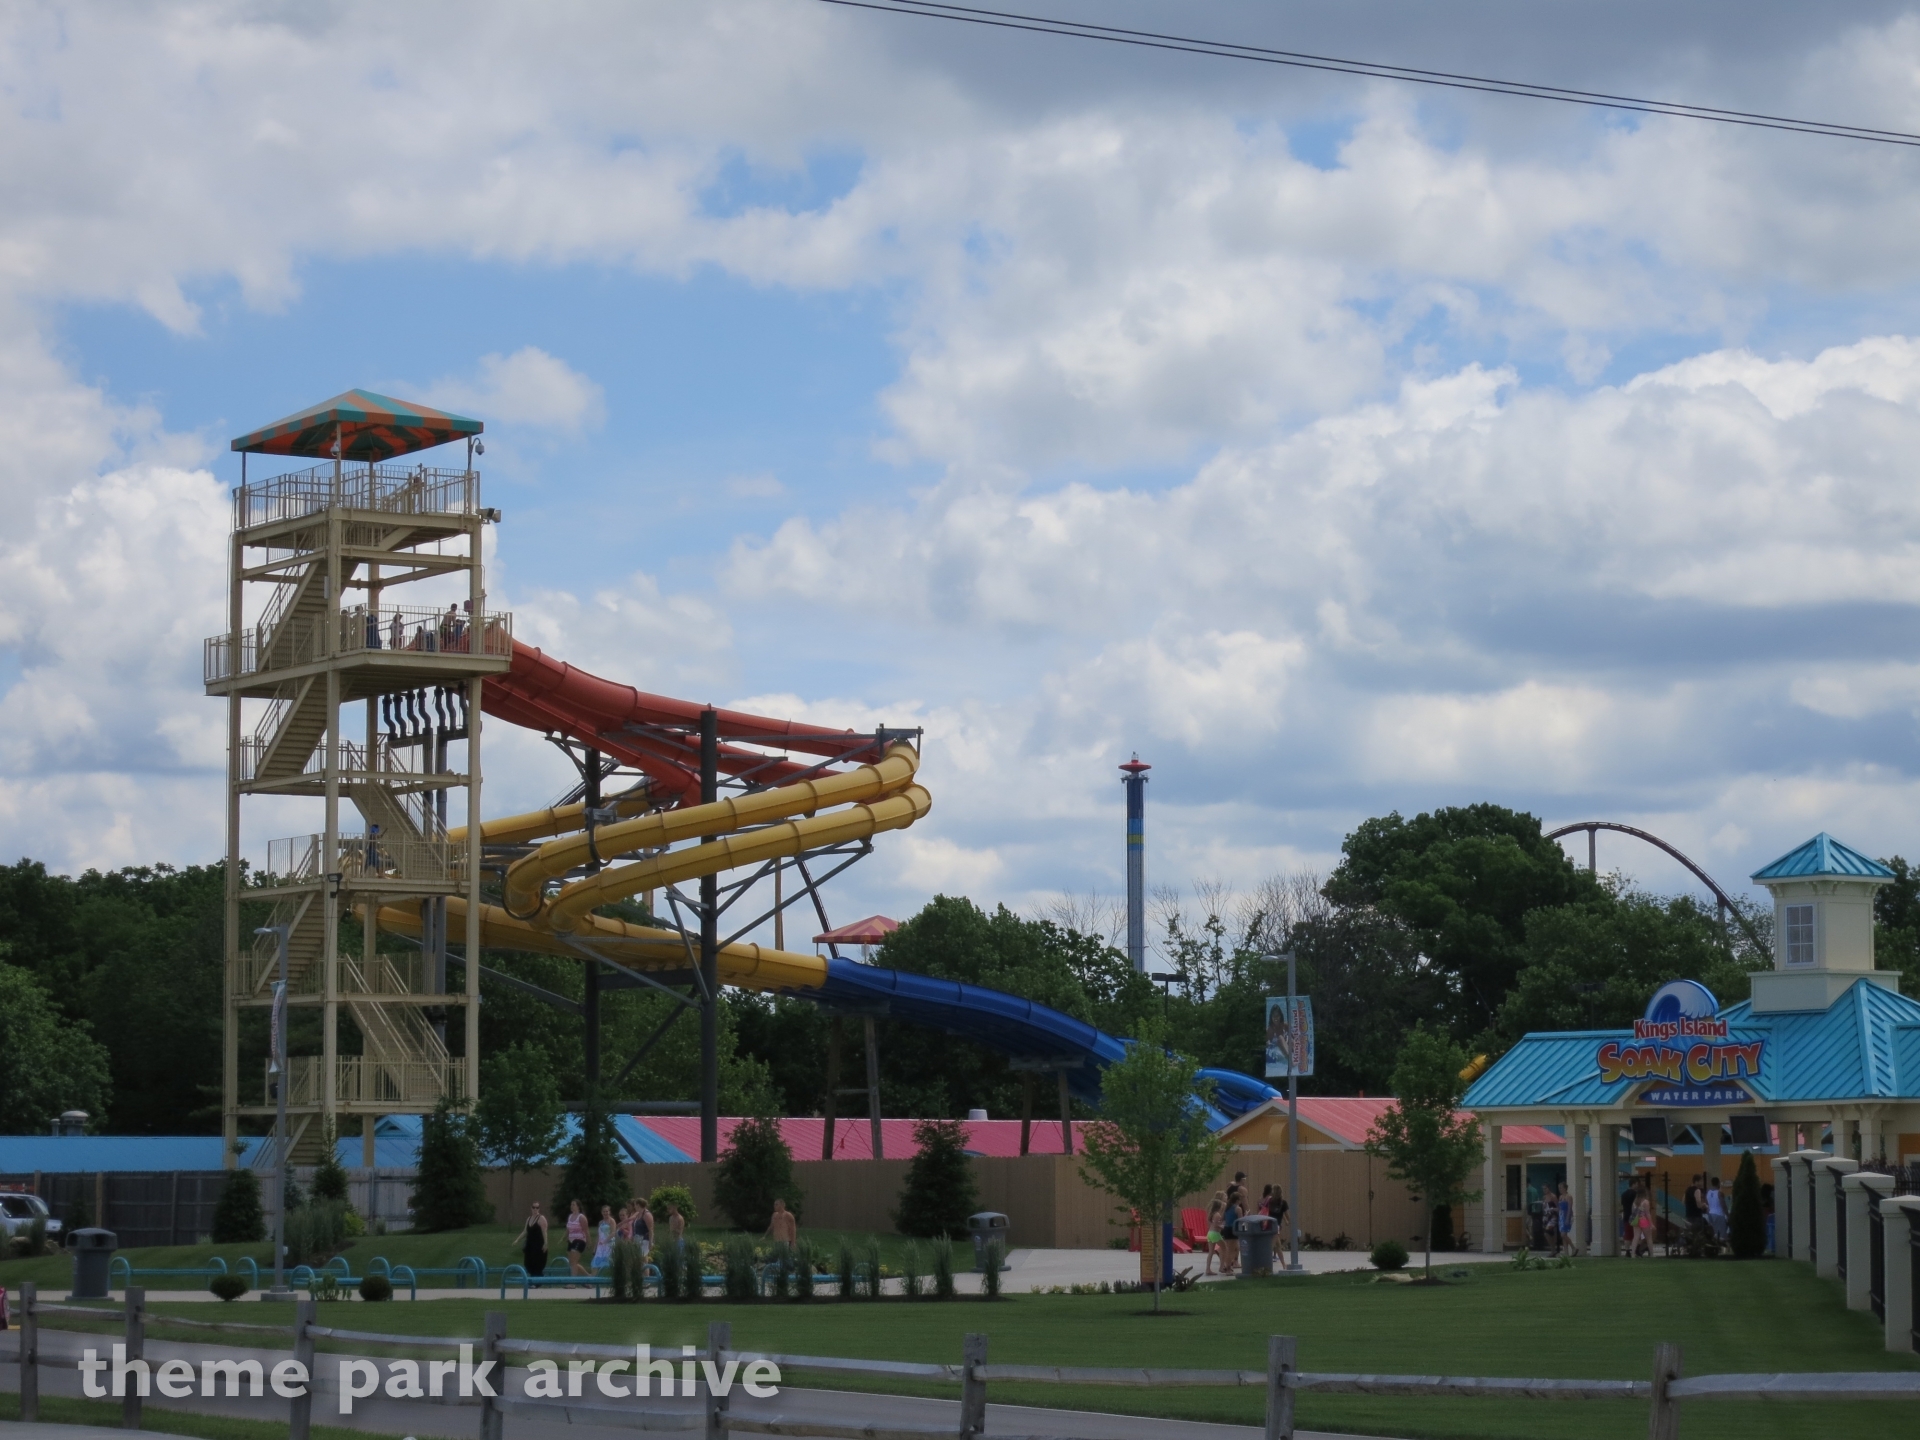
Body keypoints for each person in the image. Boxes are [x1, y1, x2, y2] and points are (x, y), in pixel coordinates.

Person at [519, 1200, 549, 1278]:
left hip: (538, 1245)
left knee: (537, 1263)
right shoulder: (529, 1219)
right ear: (531, 1208)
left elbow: (544, 1231)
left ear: (539, 1209)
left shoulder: (541, 1218)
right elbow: (525, 1231)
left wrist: (545, 1243)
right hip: (530, 1245)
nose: (535, 1209)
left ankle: (537, 1281)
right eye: (534, 1207)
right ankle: (533, 1280)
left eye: (537, 1208)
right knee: (528, 1263)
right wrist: (517, 1239)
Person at [1220, 1186, 1243, 1276]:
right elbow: (1241, 1220)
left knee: (1235, 1248)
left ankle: (1228, 1265)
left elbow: (1222, 1218)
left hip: (1226, 1229)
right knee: (1231, 1250)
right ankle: (1228, 1268)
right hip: (1233, 1229)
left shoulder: (1227, 1207)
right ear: (1237, 1200)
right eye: (1240, 1199)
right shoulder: (1238, 1208)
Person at [1203, 1192, 1226, 1276]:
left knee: (1211, 1252)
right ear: (1218, 1207)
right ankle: (1221, 1267)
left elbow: (1213, 1223)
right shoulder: (1217, 1215)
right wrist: (1223, 1226)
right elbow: (1216, 1225)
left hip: (1210, 1233)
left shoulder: (1212, 1214)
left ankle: (1208, 1269)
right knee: (1225, 1248)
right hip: (1215, 1234)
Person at [564, 1200, 589, 1275]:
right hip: (571, 1240)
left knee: (574, 1261)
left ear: (578, 1206)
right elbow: (568, 1229)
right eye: (571, 1204)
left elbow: (586, 1230)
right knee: (572, 1262)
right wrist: (565, 1237)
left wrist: (588, 1242)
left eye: (573, 1204)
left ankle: (572, 1282)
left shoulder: (581, 1217)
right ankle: (588, 1276)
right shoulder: (570, 1216)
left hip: (579, 1240)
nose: (571, 1206)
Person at [1706, 1176, 1728, 1243]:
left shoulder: (1708, 1192)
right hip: (1719, 1215)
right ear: (1718, 1183)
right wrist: (1727, 1214)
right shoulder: (1719, 1193)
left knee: (1713, 1234)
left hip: (1710, 1214)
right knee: (1721, 1236)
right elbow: (1723, 1204)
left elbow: (1708, 1203)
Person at [592, 1205, 615, 1271]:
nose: (605, 1213)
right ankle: (594, 1277)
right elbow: (598, 1236)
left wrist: (605, 1241)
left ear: (609, 1212)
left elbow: (613, 1233)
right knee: (597, 1261)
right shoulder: (600, 1222)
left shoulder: (611, 1221)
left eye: (607, 1211)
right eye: (604, 1211)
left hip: (609, 1244)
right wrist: (595, 1248)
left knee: (608, 1260)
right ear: (601, 1212)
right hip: (600, 1245)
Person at [1556, 1182, 1573, 1256]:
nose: (1560, 1189)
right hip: (1561, 1216)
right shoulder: (1560, 1197)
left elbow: (1569, 1208)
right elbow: (1559, 1208)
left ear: (1565, 1188)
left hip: (1566, 1215)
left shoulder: (1568, 1196)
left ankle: (1573, 1247)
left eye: (1561, 1188)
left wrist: (1567, 1218)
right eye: (1559, 1188)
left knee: (1563, 1234)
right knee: (1563, 1235)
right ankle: (1566, 1253)